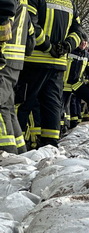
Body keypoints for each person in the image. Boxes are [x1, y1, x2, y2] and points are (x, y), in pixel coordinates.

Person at [16, 0, 83, 148]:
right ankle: (50, 144)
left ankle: (18, 144)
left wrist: (48, 46)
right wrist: (67, 46)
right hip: (58, 64)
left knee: (23, 104)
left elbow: (31, 24)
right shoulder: (69, 3)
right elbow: (78, 32)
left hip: (34, 61)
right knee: (52, 105)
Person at [0, 0, 35, 154]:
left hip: (4, 58)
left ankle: (6, 153)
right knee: (8, 107)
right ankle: (20, 153)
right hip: (16, 61)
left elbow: (3, 17)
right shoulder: (25, 3)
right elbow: (31, 39)